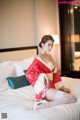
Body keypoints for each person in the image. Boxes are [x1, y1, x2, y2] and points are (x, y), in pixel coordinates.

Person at [26, 35, 76, 110]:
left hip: (52, 86)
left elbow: (54, 73)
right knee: (71, 98)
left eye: (51, 45)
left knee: (72, 98)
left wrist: (62, 87)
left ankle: (47, 103)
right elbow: (28, 74)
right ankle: (44, 105)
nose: (51, 47)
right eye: (48, 45)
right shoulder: (37, 59)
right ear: (42, 44)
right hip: (45, 89)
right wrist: (43, 75)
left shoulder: (49, 56)